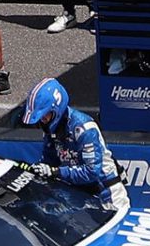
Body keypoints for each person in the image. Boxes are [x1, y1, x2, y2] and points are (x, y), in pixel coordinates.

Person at [21, 78, 128, 210]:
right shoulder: (50, 131)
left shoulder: (84, 128)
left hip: (107, 192)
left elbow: (91, 171)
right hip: (80, 196)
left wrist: (56, 172)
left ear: (56, 108)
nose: (43, 121)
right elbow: (49, 162)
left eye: (45, 115)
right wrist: (37, 170)